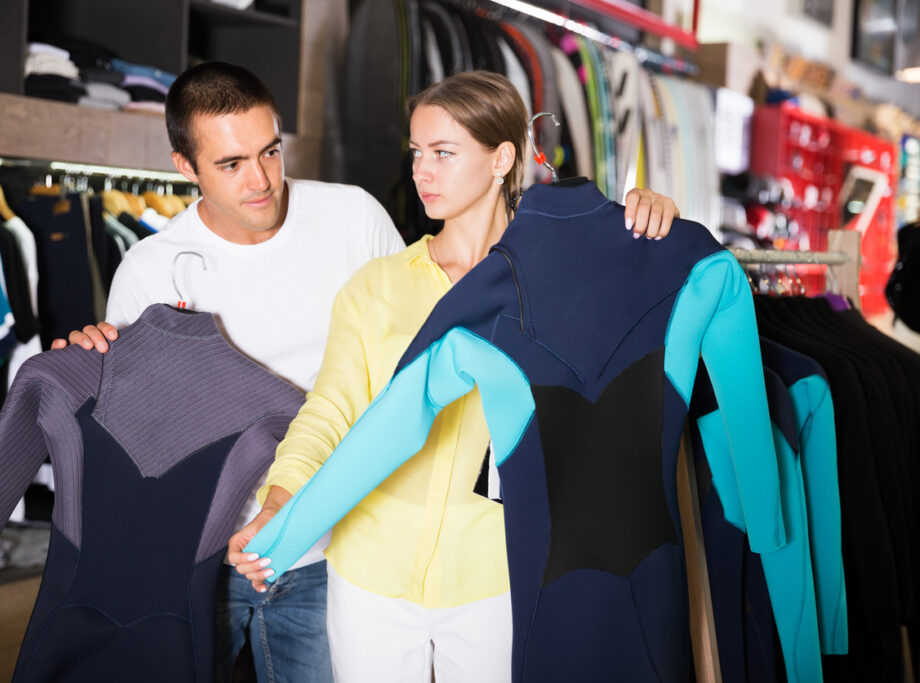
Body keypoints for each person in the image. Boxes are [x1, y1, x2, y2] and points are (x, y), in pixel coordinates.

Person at [61, 65, 676, 681]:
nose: (260, 179)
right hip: (302, 557)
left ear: (500, 158)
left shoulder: (383, 231)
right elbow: (328, 406)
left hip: (484, 567)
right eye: (416, 153)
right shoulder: (364, 286)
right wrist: (280, 500)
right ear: (184, 166)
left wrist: (643, 225)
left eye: (271, 152)